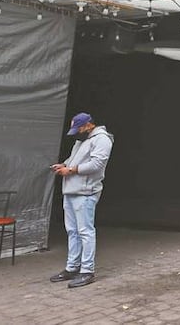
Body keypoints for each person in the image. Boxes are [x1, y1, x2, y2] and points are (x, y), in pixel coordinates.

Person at [50, 112, 114, 288]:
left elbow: (97, 165)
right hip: (70, 190)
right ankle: (72, 268)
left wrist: (70, 171)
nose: (76, 134)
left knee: (85, 231)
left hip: (86, 192)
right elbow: (73, 160)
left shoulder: (102, 139)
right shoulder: (81, 140)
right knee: (72, 231)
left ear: (88, 125)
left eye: (78, 129)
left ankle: (87, 271)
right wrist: (64, 165)